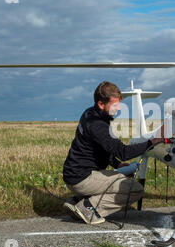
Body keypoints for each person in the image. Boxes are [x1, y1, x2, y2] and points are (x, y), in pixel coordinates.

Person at [62, 81, 164, 224]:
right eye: (115, 105)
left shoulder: (89, 114)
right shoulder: (98, 126)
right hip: (83, 178)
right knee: (135, 189)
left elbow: (103, 149)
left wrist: (117, 164)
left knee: (119, 177)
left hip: (74, 175)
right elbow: (122, 151)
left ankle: (76, 201)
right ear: (101, 104)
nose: (119, 108)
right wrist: (152, 142)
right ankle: (89, 208)